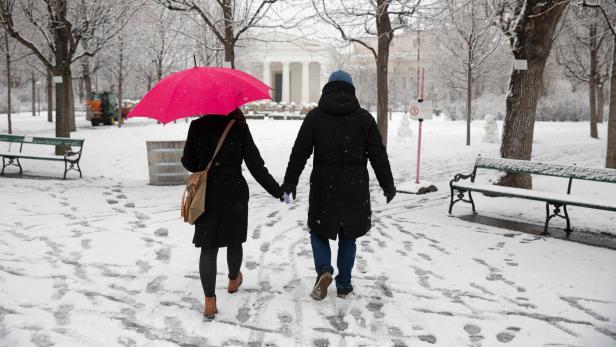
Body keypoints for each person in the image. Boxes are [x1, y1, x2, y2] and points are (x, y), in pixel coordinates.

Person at [282, 70, 396, 300]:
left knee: (318, 230)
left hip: (325, 186)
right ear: (351, 89)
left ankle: (324, 268)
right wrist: (387, 184)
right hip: (355, 188)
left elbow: (300, 153)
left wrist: (289, 182)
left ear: (328, 88)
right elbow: (378, 155)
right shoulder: (364, 118)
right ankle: (344, 284)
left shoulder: (315, 117)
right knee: (348, 236)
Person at [181, 109, 284, 318]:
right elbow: (256, 166)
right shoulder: (238, 128)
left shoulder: (197, 126)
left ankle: (210, 301)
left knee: (208, 247)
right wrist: (279, 192)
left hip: (207, 194)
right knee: (234, 240)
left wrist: (204, 161)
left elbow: (188, 162)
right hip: (234, 193)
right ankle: (233, 281)